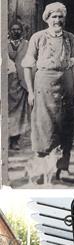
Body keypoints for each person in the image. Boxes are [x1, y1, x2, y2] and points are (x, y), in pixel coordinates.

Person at [22, 2, 74, 183]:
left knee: (65, 126)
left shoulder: (70, 38)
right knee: (44, 127)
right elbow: (27, 66)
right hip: (43, 85)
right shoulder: (37, 37)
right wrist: (31, 92)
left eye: (60, 16)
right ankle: (40, 170)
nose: (57, 20)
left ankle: (63, 169)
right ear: (47, 18)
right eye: (54, 17)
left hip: (66, 84)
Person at [7, 18, 30, 150]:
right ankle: (6, 138)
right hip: (6, 83)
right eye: (13, 29)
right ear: (9, 31)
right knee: (6, 111)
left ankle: (15, 140)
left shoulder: (27, 44)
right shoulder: (3, 44)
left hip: (21, 84)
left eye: (18, 30)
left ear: (22, 31)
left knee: (19, 113)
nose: (16, 32)